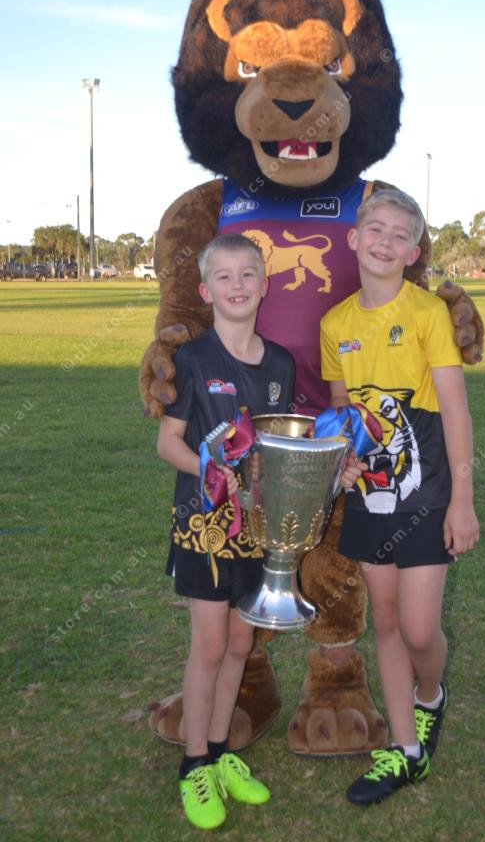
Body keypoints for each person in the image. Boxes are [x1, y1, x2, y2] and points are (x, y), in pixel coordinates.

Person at [320, 188, 480, 805]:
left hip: (429, 489)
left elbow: (456, 411)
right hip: (370, 494)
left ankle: (429, 695)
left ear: (413, 253)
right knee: (384, 620)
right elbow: (342, 413)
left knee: (418, 629)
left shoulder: (427, 313)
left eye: (400, 236)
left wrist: (462, 501)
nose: (385, 242)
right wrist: (344, 459)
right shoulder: (335, 324)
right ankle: (406, 751)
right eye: (376, 230)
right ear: (354, 239)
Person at [157, 233, 295, 830]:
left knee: (241, 645)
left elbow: (275, 446)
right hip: (204, 526)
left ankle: (219, 753)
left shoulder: (281, 364)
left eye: (247, 275)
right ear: (205, 290)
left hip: (254, 529)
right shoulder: (192, 359)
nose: (237, 285)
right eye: (224, 276)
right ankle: (194, 765)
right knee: (210, 647)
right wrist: (212, 469)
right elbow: (167, 443)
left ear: (264, 286)